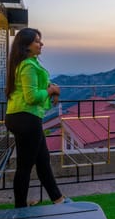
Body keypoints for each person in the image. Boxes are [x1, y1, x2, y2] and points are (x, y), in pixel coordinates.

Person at [5, 28, 70, 208]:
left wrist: (52, 87)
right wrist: (51, 91)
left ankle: (58, 200)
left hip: (21, 117)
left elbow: (38, 84)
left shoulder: (27, 64)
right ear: (26, 46)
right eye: (37, 41)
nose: (41, 44)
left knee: (42, 161)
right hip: (26, 118)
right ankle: (20, 208)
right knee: (25, 167)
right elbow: (32, 97)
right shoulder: (27, 65)